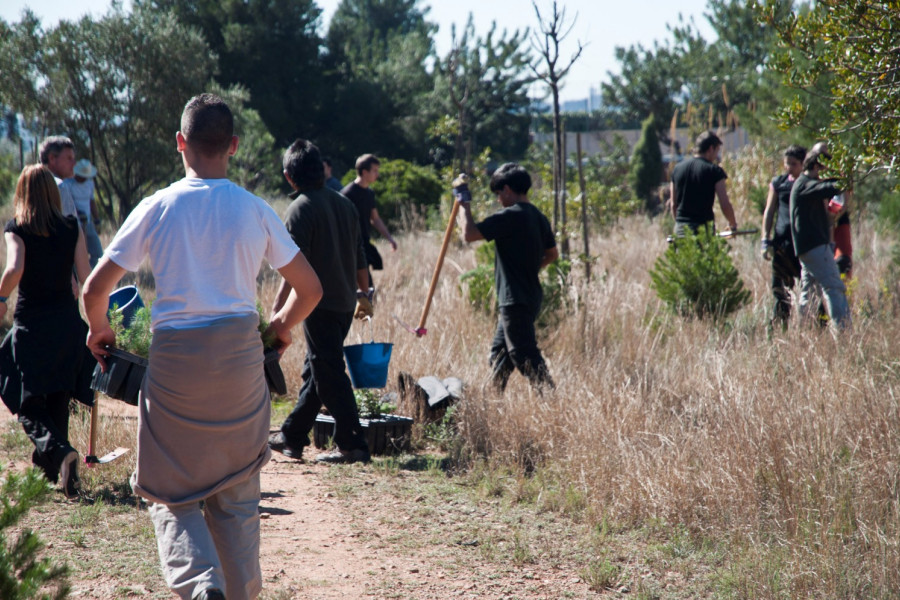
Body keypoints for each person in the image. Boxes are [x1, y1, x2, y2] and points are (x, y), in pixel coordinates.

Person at [82, 93, 323, 600]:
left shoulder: (158, 206)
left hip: (175, 368)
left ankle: (200, 586)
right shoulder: (256, 209)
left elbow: (94, 290)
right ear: (233, 146)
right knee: (237, 492)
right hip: (240, 361)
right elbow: (312, 289)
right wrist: (279, 326)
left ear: (180, 144)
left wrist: (100, 330)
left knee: (170, 494)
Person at [268, 139, 373, 465]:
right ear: (322, 170)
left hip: (319, 304)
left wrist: (277, 309)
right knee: (317, 370)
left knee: (328, 372)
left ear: (289, 176)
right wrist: (365, 295)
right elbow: (360, 257)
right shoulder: (345, 204)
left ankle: (352, 444)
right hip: (343, 303)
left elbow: (293, 266)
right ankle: (293, 437)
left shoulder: (300, 208)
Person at [0, 165, 95, 498]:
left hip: (33, 327)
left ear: (22, 194)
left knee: (24, 399)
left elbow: (15, 268)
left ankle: (58, 453)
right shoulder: (72, 227)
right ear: (54, 194)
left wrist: (0, 296)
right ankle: (55, 471)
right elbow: (86, 277)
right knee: (58, 394)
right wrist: (97, 321)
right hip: (68, 324)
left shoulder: (18, 228)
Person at [455, 163, 557, 393]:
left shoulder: (510, 216)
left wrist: (464, 204)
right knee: (500, 356)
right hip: (529, 295)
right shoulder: (538, 217)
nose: (498, 199)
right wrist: (530, 268)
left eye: (499, 194)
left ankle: (551, 399)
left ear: (508, 189)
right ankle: (493, 402)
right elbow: (552, 254)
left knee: (523, 353)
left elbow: (469, 234)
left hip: (514, 298)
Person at [789, 144, 851, 330]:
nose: (824, 174)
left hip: (808, 249)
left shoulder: (802, 185)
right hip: (816, 248)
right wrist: (843, 179)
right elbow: (826, 188)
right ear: (816, 167)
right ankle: (844, 333)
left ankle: (803, 331)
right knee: (834, 288)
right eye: (823, 169)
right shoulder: (805, 185)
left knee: (810, 294)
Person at [760, 145, 806, 326]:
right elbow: (769, 212)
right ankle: (779, 326)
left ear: (803, 164)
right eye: (787, 163)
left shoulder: (809, 183)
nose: (789, 167)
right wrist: (765, 239)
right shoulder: (778, 183)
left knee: (810, 289)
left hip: (804, 244)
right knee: (780, 290)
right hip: (782, 244)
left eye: (794, 164)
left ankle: (816, 325)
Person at [340, 154, 398, 290]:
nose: (377, 174)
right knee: (361, 288)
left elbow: (375, 219)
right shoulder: (347, 194)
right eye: (375, 171)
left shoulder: (369, 193)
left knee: (366, 288)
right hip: (349, 246)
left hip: (364, 243)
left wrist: (390, 238)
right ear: (364, 172)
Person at [670, 130, 738, 236]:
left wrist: (679, 226)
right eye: (717, 151)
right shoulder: (714, 171)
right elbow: (724, 204)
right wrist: (733, 224)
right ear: (711, 148)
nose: (717, 156)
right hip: (702, 231)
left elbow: (673, 205)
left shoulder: (677, 169)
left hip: (680, 231)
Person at [62, 158, 104, 267]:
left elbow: (92, 202)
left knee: (98, 253)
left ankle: (90, 276)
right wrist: (77, 213)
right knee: (76, 256)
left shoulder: (90, 184)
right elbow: (66, 204)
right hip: (74, 224)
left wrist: (97, 220)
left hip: (88, 223)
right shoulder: (67, 184)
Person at [38, 136, 78, 218]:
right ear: (52, 158)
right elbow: (70, 228)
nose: (74, 163)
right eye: (69, 158)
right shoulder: (59, 187)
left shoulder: (31, 184)